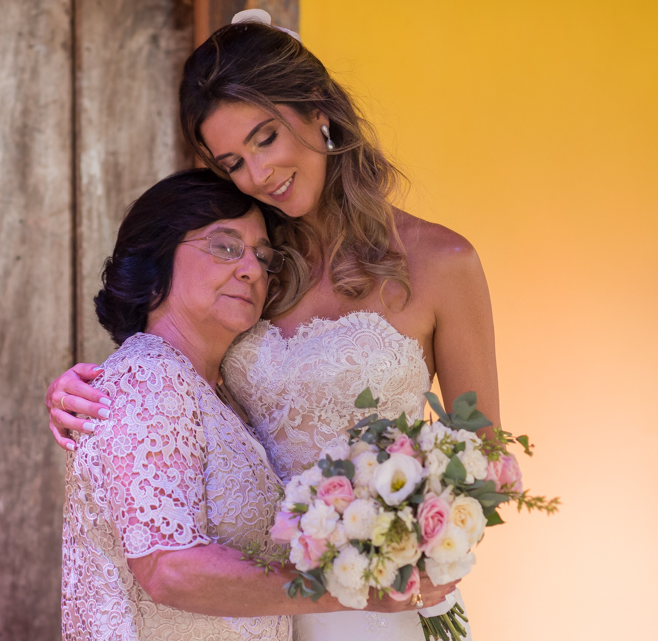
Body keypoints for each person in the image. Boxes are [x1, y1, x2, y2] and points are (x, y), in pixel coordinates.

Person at [48, 16, 497, 641]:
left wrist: (396, 542)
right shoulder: (254, 267)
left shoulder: (444, 264)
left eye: (266, 138)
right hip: (248, 598)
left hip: (376, 599)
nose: (257, 175)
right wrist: (92, 387)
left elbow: (484, 463)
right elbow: (177, 385)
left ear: (318, 110)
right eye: (232, 161)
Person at [60, 169, 453, 641]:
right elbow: (167, 568)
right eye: (224, 246)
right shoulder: (149, 378)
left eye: (263, 257)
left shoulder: (217, 394)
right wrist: (353, 590)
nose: (251, 269)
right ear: (155, 261)